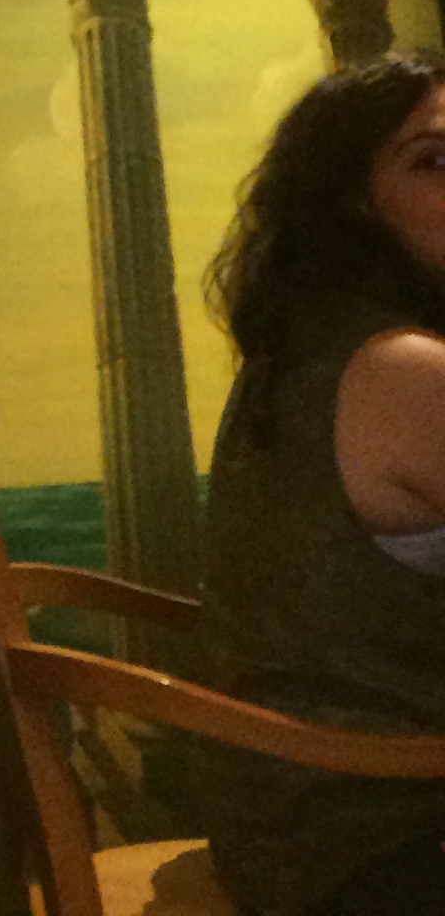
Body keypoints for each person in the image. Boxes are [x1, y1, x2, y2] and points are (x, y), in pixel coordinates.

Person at [197, 51, 445, 916]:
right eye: (434, 161)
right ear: (349, 204)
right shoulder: (405, 370)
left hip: (287, 833)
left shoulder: (299, 350)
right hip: (386, 846)